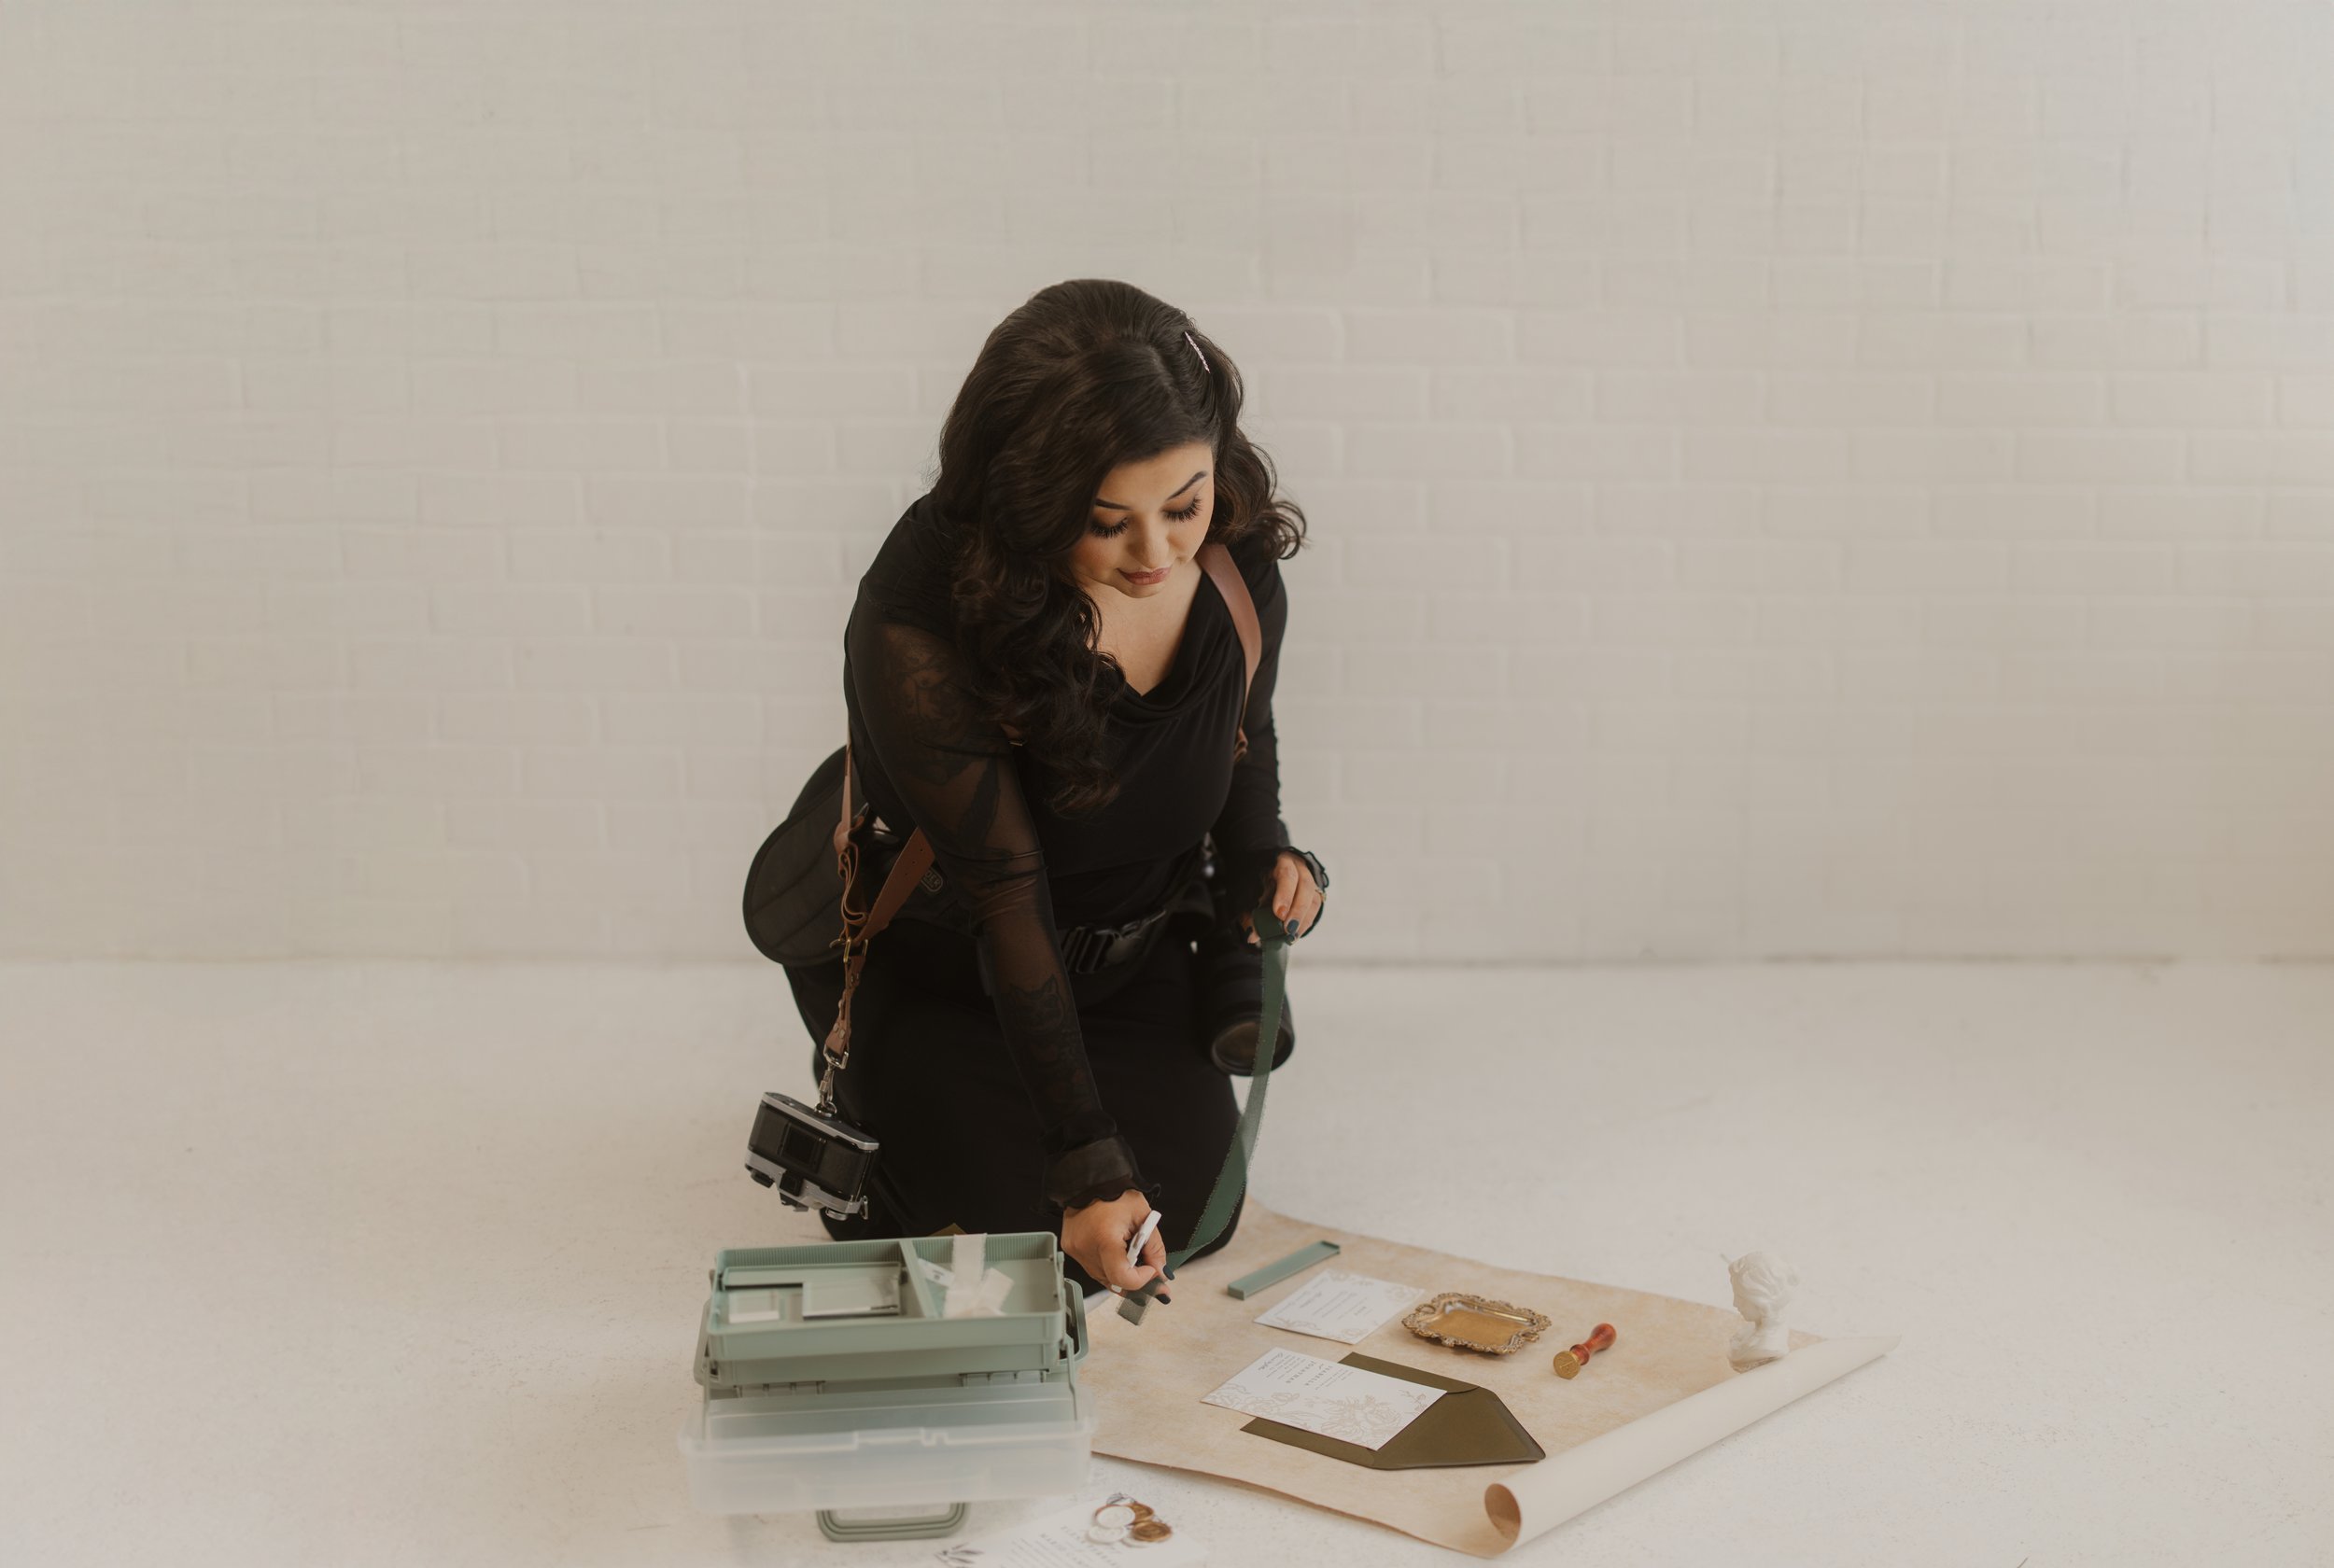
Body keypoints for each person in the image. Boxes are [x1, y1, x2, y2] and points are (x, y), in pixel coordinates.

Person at [782, 279, 1329, 1304]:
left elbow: (1242, 735)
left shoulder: (1234, 564)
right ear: (1032, 500)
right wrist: (1084, 1161)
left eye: (1184, 506)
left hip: (1131, 955)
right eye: (1106, 521)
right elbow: (1004, 895)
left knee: (1191, 1213)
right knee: (1015, 1255)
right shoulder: (917, 623)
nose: (1157, 554)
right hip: (954, 971)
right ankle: (896, 1094)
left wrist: (1269, 858)